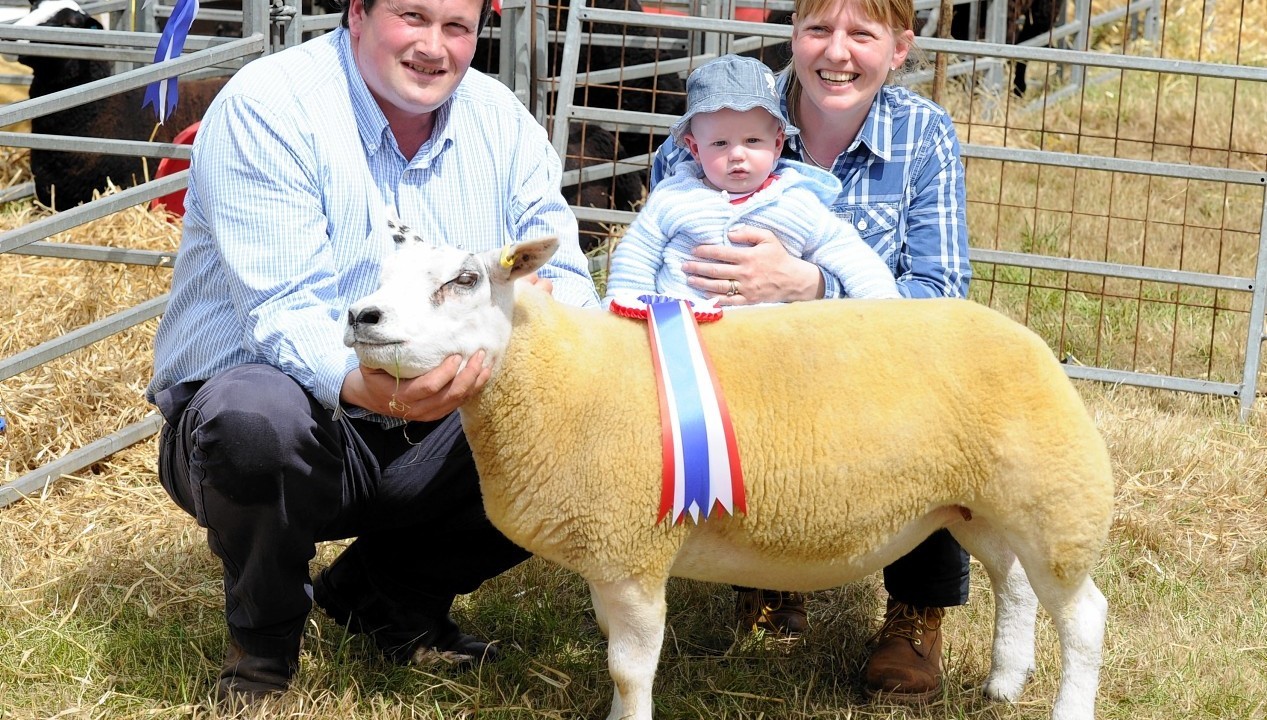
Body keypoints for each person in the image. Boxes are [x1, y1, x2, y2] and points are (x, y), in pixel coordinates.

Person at [145, 0, 599, 707]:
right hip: (289, 409)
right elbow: (284, 310)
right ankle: (261, 651)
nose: (433, 47)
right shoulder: (271, 106)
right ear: (357, 12)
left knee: (574, 421)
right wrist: (373, 387)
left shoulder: (500, 120)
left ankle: (386, 597)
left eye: (456, 27)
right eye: (411, 17)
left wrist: (548, 317)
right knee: (253, 420)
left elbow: (565, 275)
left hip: (440, 414)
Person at [648, 0, 971, 703]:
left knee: (941, 399)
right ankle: (766, 580)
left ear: (900, 48)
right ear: (792, 37)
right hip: (742, 359)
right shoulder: (721, 117)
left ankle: (916, 610)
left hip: (873, 362)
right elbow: (665, 246)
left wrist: (812, 286)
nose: (837, 52)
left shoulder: (923, 134)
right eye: (818, 29)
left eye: (862, 34)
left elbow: (942, 289)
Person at [603, 54, 899, 304]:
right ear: (695, 149)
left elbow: (848, 252)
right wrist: (625, 314)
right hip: (683, 333)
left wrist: (882, 308)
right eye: (720, 144)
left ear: (777, 144)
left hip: (768, 342)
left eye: (753, 140)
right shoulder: (674, 198)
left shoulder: (796, 202)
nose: (737, 155)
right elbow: (636, 256)